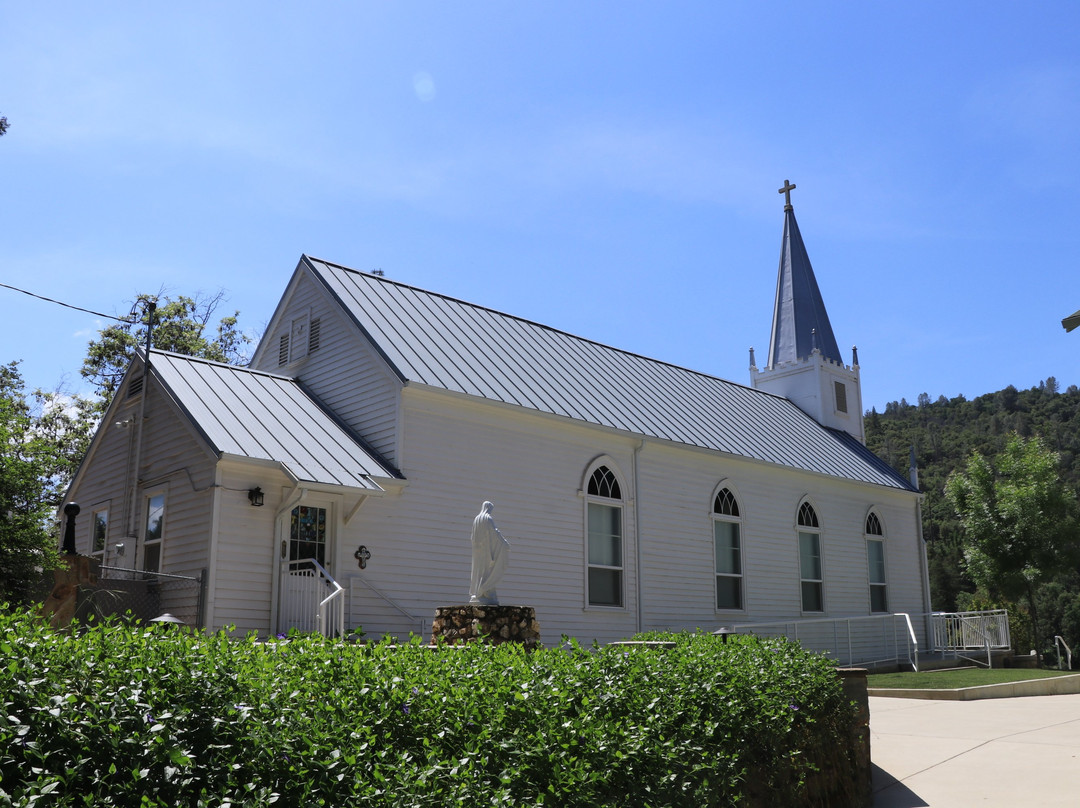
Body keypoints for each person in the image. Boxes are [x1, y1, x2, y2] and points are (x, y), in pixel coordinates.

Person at [469, 501, 510, 605]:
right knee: (487, 571)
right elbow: (495, 532)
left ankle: (478, 591)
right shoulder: (487, 518)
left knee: (478, 571)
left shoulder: (476, 519)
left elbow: (472, 537)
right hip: (486, 552)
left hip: (478, 552)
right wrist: (504, 543)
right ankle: (484, 590)